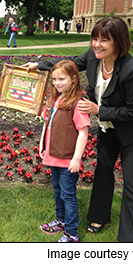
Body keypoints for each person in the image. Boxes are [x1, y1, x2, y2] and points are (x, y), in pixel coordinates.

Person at [24, 17, 133, 242]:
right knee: (103, 171)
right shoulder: (93, 59)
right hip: (109, 128)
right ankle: (99, 217)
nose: (97, 44)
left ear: (119, 42)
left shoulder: (132, 71)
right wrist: (40, 65)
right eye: (95, 39)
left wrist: (99, 110)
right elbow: (69, 64)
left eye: (104, 40)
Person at [39, 60, 90, 243]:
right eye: (54, 79)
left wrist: (76, 159)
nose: (57, 83)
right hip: (53, 155)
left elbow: (83, 132)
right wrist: (42, 146)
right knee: (57, 190)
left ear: (74, 79)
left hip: (67, 159)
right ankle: (60, 220)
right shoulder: (55, 98)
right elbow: (47, 124)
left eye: (62, 78)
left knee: (68, 194)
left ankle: (71, 233)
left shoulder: (78, 103)